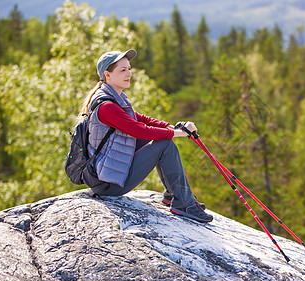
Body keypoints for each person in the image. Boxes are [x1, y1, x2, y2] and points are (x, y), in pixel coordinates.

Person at [80, 49, 213, 223]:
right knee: (165, 145)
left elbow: (141, 119)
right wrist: (177, 133)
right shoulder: (107, 106)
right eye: (123, 70)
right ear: (108, 75)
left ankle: (174, 196)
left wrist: (172, 127)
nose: (129, 73)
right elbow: (139, 130)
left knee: (162, 141)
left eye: (129, 68)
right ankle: (183, 204)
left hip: (109, 175)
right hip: (108, 184)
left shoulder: (113, 98)